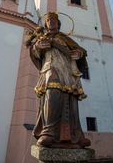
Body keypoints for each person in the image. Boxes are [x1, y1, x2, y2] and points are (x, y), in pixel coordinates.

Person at [29, 12, 91, 148]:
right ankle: (48, 132)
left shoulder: (64, 38)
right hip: (50, 67)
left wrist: (78, 54)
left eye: (54, 21)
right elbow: (34, 52)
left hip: (67, 70)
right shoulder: (42, 38)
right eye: (49, 21)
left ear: (58, 24)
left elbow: (80, 51)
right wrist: (38, 47)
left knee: (71, 101)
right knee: (52, 93)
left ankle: (76, 135)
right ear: (46, 24)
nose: (51, 22)